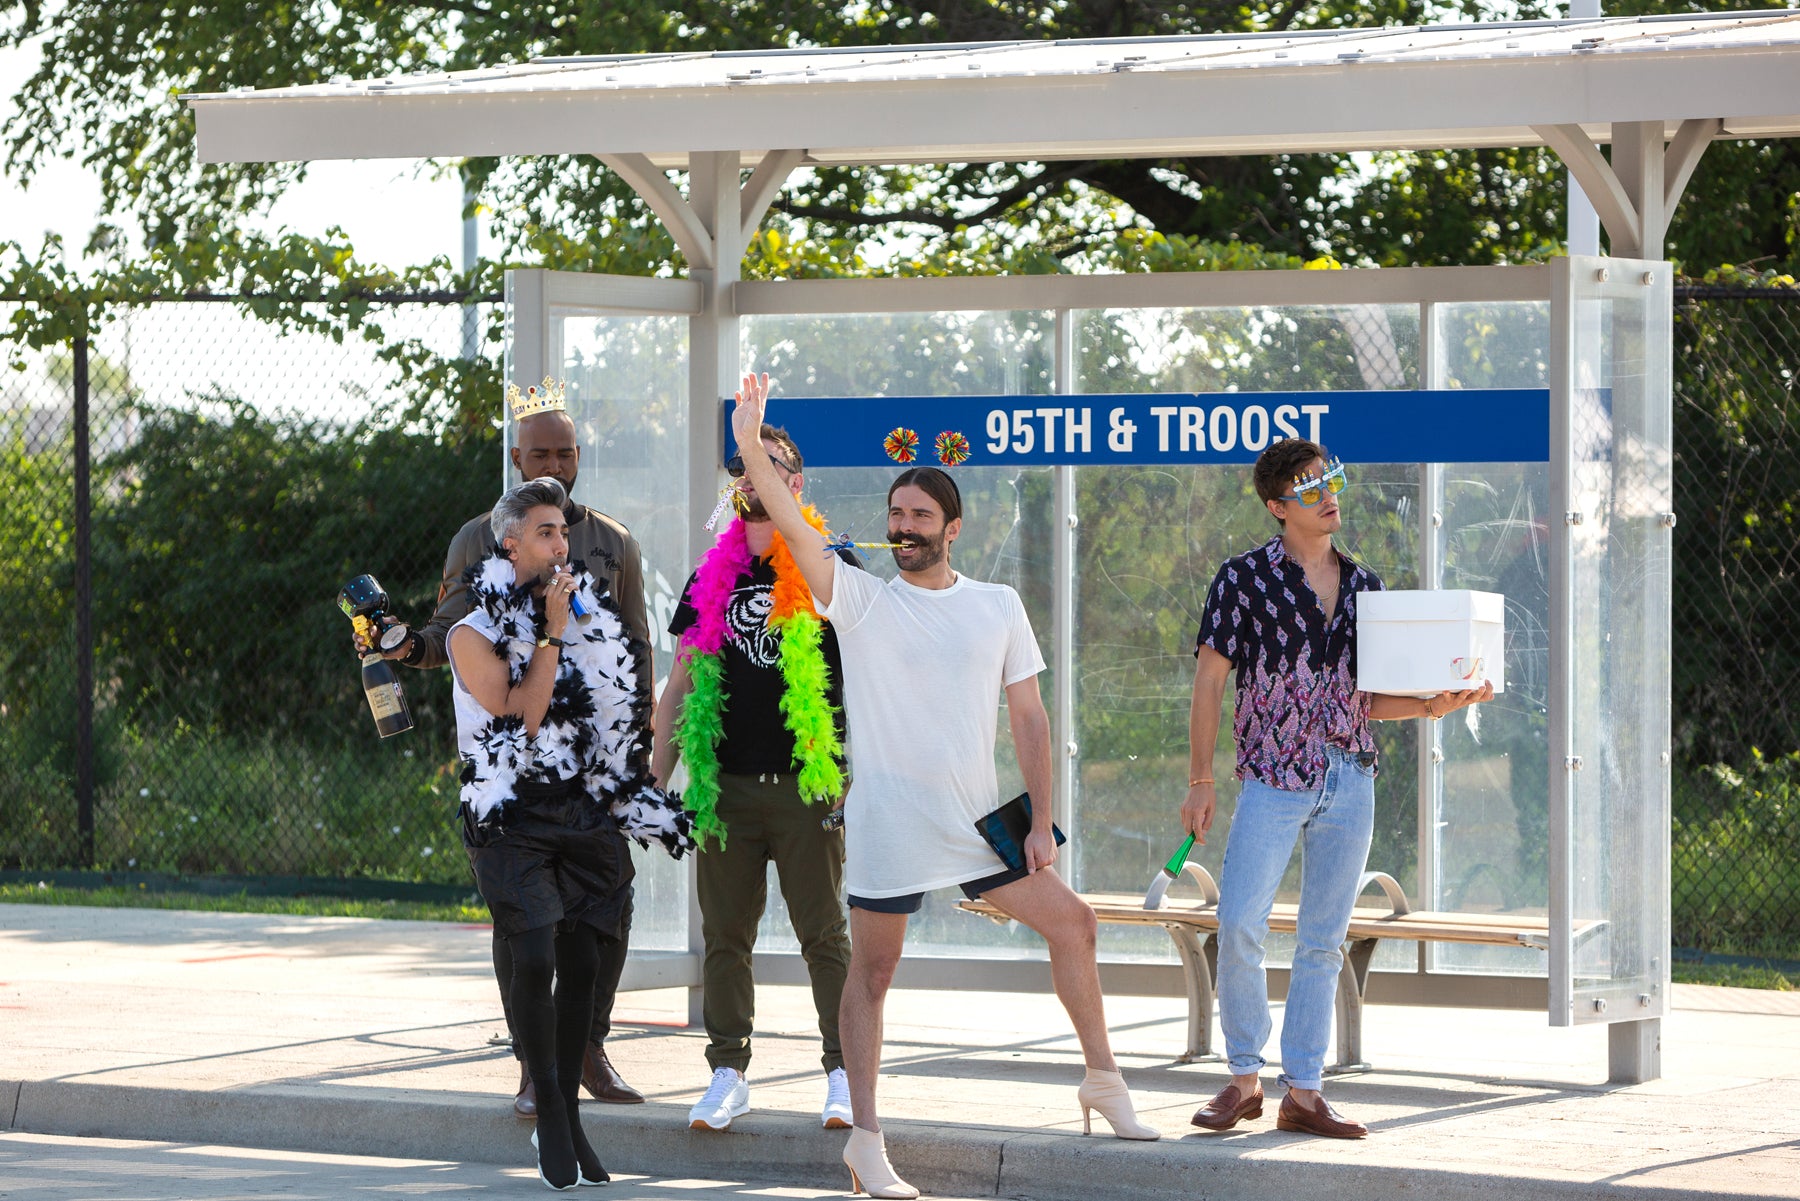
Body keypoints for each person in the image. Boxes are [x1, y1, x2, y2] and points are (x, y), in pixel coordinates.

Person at [730, 373, 1159, 1201]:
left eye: (921, 516)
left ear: (953, 528)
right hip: (890, 819)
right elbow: (785, 517)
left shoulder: (997, 604)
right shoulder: (857, 598)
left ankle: (1103, 1080)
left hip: (977, 822)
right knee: (874, 972)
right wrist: (752, 440)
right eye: (896, 515)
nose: (904, 527)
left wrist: (1043, 820)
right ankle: (865, 1138)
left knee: (1075, 922)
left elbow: (1030, 720)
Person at [1182, 440, 1493, 1140]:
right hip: (1271, 775)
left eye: (1331, 480)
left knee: (1324, 938)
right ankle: (1241, 1077)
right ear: (1276, 506)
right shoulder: (1242, 579)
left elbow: (1370, 698)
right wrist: (1200, 779)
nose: (1328, 494)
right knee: (1238, 923)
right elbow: (1209, 680)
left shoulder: (1364, 586)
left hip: (1350, 776)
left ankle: (1305, 1088)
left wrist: (1437, 704)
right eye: (1308, 486)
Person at [367, 379, 651, 1116]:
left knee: (607, 909)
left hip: (592, 764)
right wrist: (404, 649)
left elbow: (638, 647)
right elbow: (450, 632)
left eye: (564, 450)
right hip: (510, 764)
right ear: (516, 457)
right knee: (524, 922)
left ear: (579, 455)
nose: (552, 461)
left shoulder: (614, 540)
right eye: (538, 451)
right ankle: (533, 1064)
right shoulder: (478, 536)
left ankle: (588, 1045)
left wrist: (640, 746)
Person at [446, 475, 690, 1190]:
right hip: (512, 810)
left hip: (581, 803)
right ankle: (548, 1098)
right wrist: (552, 632)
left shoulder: (585, 607)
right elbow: (521, 711)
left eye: (565, 531)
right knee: (535, 954)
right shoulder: (473, 626)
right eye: (548, 533)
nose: (564, 543)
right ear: (511, 542)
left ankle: (572, 1102)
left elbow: (614, 692)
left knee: (587, 951)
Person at [651, 424, 857, 1133]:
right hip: (725, 787)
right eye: (743, 470)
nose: (752, 480)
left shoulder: (832, 566)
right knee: (725, 935)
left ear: (795, 484)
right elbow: (680, 684)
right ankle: (728, 1072)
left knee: (825, 934)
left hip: (808, 787)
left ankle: (844, 1072)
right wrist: (654, 780)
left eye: (768, 470)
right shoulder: (711, 574)